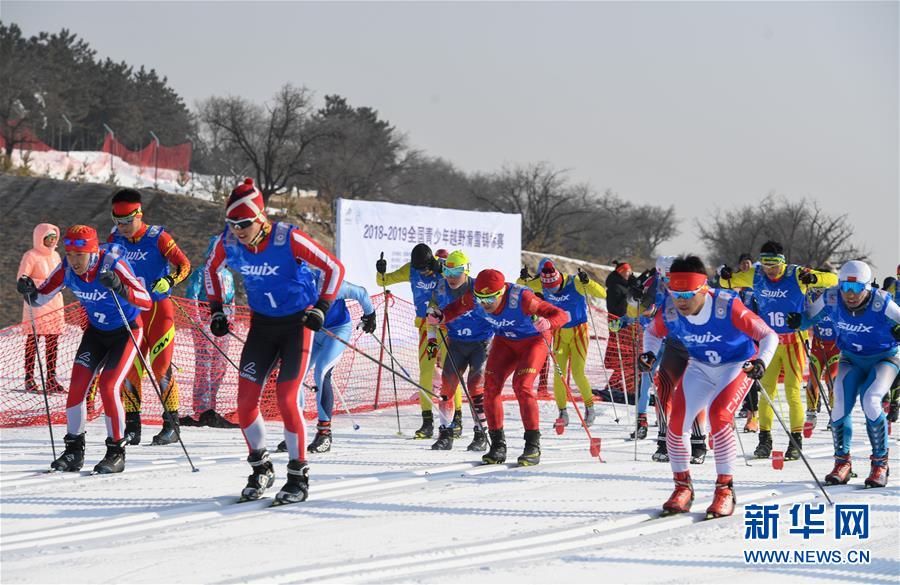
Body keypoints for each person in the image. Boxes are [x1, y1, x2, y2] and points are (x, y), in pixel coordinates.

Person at [204, 178, 344, 504]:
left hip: (298, 326)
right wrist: (216, 311)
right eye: (232, 223)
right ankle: (260, 467)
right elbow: (211, 270)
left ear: (260, 218)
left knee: (286, 397)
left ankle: (298, 475)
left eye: (244, 223)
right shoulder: (230, 242)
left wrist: (321, 308)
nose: (238, 230)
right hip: (262, 327)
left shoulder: (287, 238)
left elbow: (334, 268)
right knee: (244, 401)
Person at [642, 255, 777, 517]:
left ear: (703, 289)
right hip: (700, 366)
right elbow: (651, 333)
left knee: (719, 416)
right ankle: (683, 487)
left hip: (736, 365)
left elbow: (768, 335)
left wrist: (761, 361)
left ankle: (724, 489)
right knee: (677, 422)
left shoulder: (727, 305)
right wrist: (648, 354)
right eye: (675, 293)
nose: (681, 301)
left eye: (688, 294)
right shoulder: (670, 308)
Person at [17, 225, 152, 474]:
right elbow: (40, 298)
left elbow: (145, 299)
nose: (74, 261)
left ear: (92, 252)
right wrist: (28, 291)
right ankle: (73, 452)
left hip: (126, 331)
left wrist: (120, 287)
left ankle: (116, 452)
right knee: (77, 386)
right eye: (69, 254)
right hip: (96, 333)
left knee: (108, 386)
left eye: (79, 255)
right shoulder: (67, 268)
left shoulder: (112, 264)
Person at [428, 269, 569, 466]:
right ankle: (497, 446)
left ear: (501, 292)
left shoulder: (523, 298)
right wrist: (441, 317)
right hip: (505, 341)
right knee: (490, 387)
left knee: (522, 385)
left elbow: (560, 314)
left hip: (533, 341)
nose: (484, 304)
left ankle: (532, 446)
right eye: (480, 299)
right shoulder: (476, 297)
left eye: (489, 299)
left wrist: (548, 322)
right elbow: (455, 309)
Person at [719, 241, 837, 461]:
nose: (769, 269)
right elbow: (727, 282)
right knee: (767, 392)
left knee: (792, 391)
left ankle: (795, 440)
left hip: (794, 341)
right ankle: (764, 440)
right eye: (765, 263)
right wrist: (725, 275)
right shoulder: (756, 275)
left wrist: (815, 279)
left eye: (774, 264)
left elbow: (833, 280)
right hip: (769, 343)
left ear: (782, 262)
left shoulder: (796, 273)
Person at [788, 260, 900, 488]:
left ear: (867, 288)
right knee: (839, 405)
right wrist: (798, 321)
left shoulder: (881, 303)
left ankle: (880, 464)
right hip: (851, 358)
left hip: (884, 359)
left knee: (871, 400)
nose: (850, 295)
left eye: (857, 289)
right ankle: (842, 463)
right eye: (845, 288)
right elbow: (809, 316)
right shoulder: (831, 297)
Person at [108, 188, 192, 446]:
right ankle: (133, 426)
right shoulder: (114, 238)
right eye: (118, 221)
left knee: (161, 368)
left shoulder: (158, 237)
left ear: (139, 214)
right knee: (131, 369)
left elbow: (185, 265)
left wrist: (170, 280)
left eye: (127, 221)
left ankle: (172, 424)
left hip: (158, 312)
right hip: (132, 313)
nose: (123, 227)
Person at [277, 275, 377, 453]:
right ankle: (296, 430)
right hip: (313, 333)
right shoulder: (297, 283)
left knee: (322, 372)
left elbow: (361, 293)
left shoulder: (337, 285)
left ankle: (324, 434)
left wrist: (370, 315)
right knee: (296, 374)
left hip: (337, 330)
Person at [376, 243, 462, 439]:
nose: (423, 272)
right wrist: (381, 271)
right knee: (426, 371)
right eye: (419, 269)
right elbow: (384, 281)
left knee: (452, 372)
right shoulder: (410, 270)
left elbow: (465, 281)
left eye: (426, 268)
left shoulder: (443, 269)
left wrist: (447, 271)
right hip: (428, 330)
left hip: (448, 328)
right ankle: (427, 422)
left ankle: (457, 419)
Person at [637, 256, 709, 464]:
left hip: (698, 349)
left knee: (694, 394)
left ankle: (698, 443)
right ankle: (664, 441)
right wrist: (649, 354)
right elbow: (652, 329)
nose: (670, 284)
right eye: (667, 279)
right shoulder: (666, 295)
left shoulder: (702, 291)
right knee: (664, 390)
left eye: (673, 279)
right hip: (675, 347)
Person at [426, 250, 493, 451]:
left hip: (481, 343)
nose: (451, 277)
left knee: (475, 388)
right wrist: (431, 340)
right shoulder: (440, 288)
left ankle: (481, 434)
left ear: (467, 270)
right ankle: (445, 434)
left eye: (457, 271)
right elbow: (432, 313)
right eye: (447, 271)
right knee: (446, 389)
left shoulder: (478, 288)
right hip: (456, 342)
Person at [538, 262, 607, 427]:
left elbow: (602, 294)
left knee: (577, 372)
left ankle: (590, 408)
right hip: (560, 333)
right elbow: (522, 286)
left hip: (579, 333)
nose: (552, 291)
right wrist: (523, 279)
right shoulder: (542, 283)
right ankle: (562, 412)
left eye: (554, 288)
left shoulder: (574, 282)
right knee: (558, 374)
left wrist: (588, 282)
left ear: (559, 279)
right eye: (549, 289)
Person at [180, 235, 239, 428]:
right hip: (205, 324)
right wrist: (197, 322)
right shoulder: (201, 272)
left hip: (223, 326)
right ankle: (201, 408)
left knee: (219, 367)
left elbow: (232, 299)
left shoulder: (228, 276)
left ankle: (212, 405)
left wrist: (231, 319)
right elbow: (192, 296)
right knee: (204, 367)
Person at [17, 223, 65, 394]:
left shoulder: (56, 255)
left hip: (55, 302)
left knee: (53, 341)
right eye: (48, 238)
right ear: (40, 239)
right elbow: (22, 278)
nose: (52, 241)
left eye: (54, 238)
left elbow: (60, 274)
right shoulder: (31, 255)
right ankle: (29, 378)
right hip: (37, 302)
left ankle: (51, 378)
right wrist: (31, 286)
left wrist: (62, 283)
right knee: (33, 341)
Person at [604, 261, 641, 395]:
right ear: (620, 273)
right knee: (624, 359)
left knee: (631, 359)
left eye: (629, 272)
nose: (628, 274)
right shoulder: (614, 287)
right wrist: (628, 297)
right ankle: (620, 386)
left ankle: (628, 386)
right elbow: (613, 309)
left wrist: (636, 283)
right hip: (619, 326)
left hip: (631, 326)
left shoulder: (629, 284)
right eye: (625, 272)